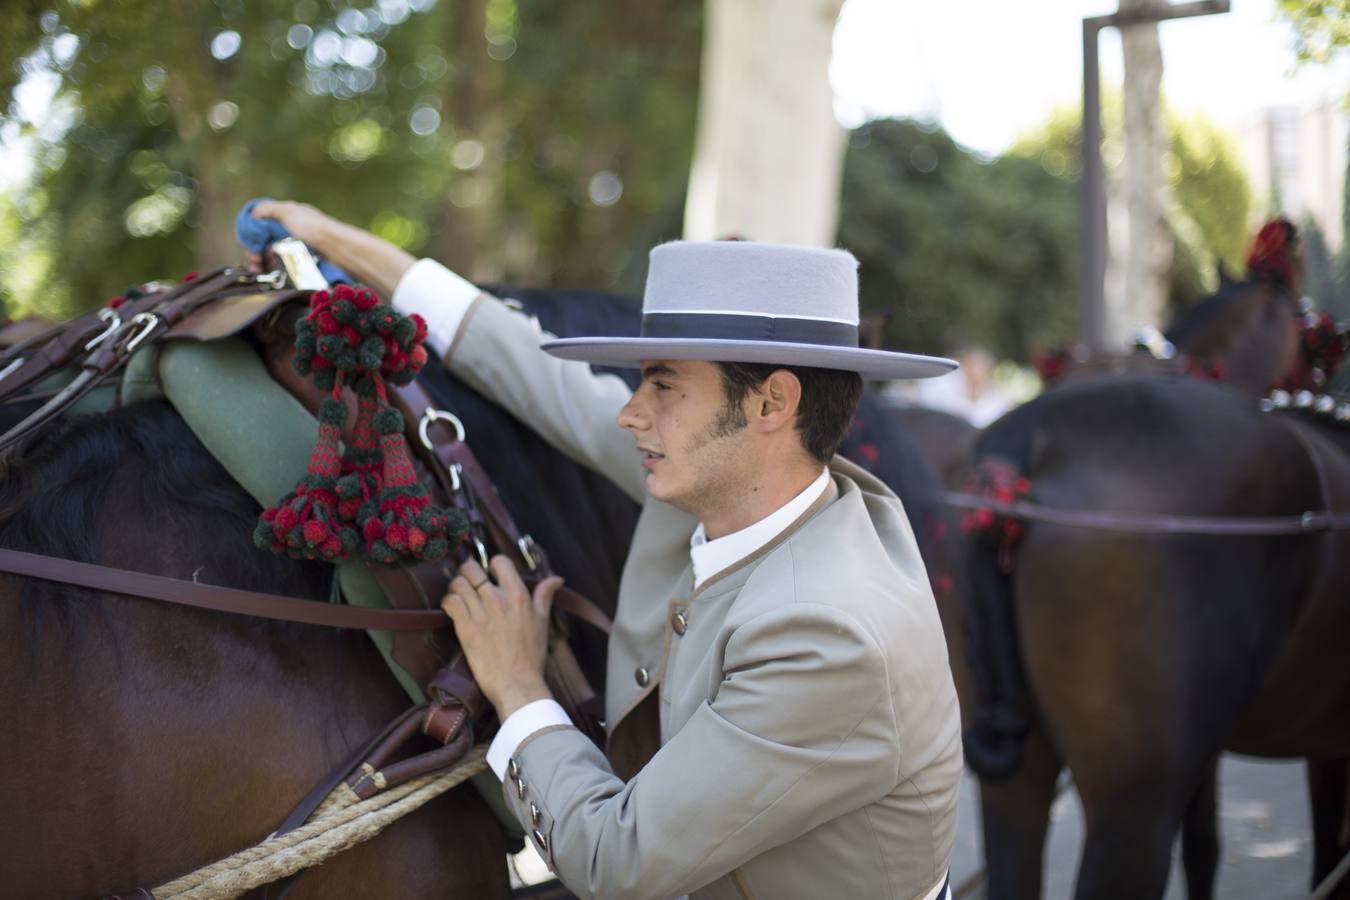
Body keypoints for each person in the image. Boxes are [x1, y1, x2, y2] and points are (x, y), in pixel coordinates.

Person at [250, 200, 963, 900]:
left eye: (662, 384)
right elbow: (532, 371)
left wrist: (517, 683)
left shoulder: (829, 633)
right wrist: (335, 238)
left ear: (772, 404)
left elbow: (616, 863)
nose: (630, 410)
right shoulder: (741, 483)